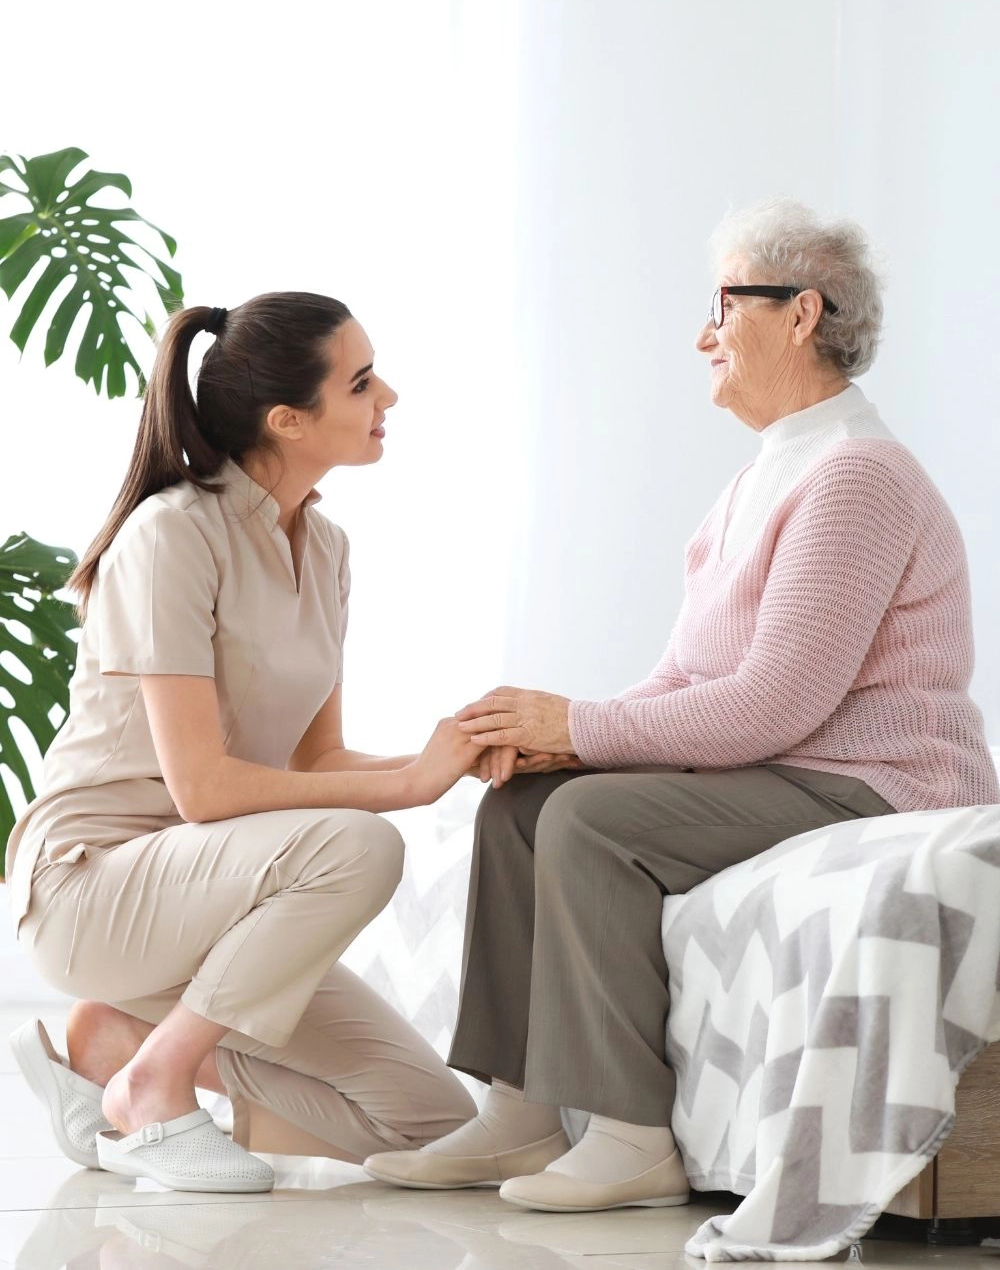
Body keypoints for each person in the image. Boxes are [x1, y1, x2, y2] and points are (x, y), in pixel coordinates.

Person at [363, 198, 1000, 1213]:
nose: (702, 332)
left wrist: (574, 730)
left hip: (877, 784)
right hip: (791, 767)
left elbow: (770, 705)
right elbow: (685, 678)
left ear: (800, 313)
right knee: (525, 805)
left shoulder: (856, 477)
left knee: (591, 820)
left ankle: (629, 1132)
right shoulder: (761, 479)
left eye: (722, 303)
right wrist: (555, 740)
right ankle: (522, 1112)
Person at [6, 293, 482, 1193]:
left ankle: (115, 1049)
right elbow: (204, 792)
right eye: (363, 381)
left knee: (434, 1130)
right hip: (94, 887)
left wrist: (453, 754)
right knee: (362, 843)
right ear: (287, 420)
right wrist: (407, 789)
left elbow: (316, 764)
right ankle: (157, 1082)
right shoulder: (172, 535)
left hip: (211, 899)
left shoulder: (328, 548)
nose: (392, 397)